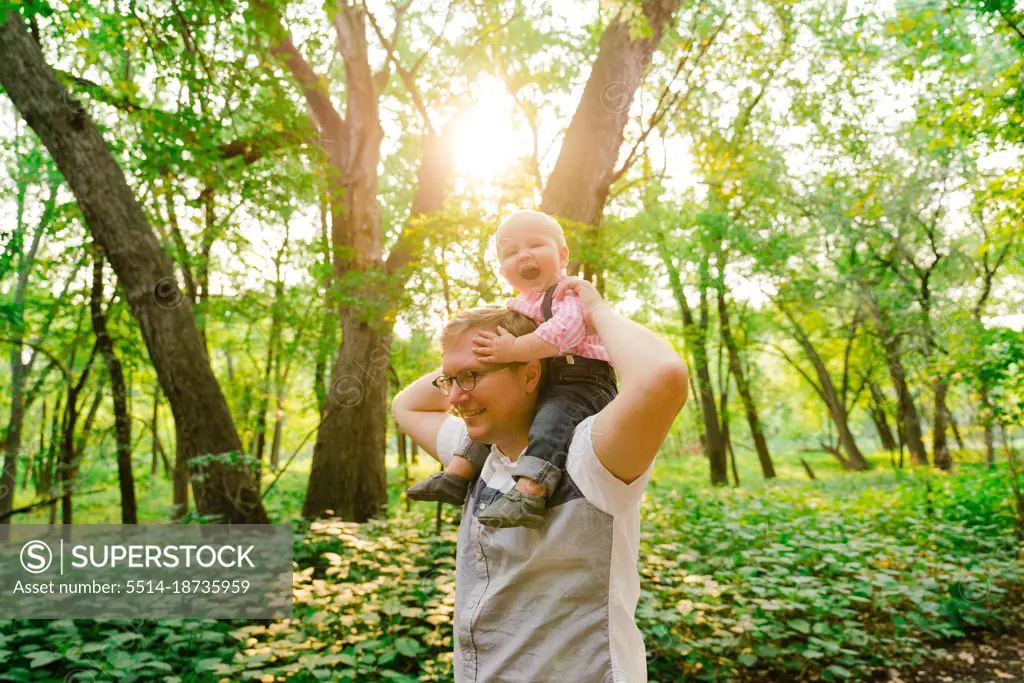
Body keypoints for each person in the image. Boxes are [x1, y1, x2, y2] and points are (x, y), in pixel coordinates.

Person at [392, 276, 688, 682]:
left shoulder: (590, 454)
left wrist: (591, 317)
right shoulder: (479, 451)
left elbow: (663, 376)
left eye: (472, 377)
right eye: (450, 380)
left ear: (531, 376)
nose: (455, 398)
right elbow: (406, 405)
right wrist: (496, 345)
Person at [405, 210, 617, 529]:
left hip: (583, 379)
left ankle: (530, 491)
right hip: (550, 374)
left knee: (551, 422)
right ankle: (456, 476)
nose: (525, 255)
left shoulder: (568, 294)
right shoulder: (519, 305)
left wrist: (515, 349)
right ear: (504, 272)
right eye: (512, 252)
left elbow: (566, 331)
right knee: (494, 422)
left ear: (562, 255)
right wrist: (470, 357)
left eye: (535, 245)